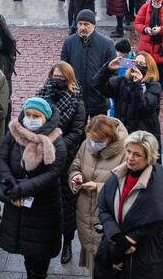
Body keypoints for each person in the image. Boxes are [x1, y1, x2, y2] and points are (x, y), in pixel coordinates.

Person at [0, 96, 69, 279]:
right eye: (28, 114)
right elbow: (1, 158)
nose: (30, 119)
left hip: (44, 207)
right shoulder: (14, 132)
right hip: (18, 204)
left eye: (36, 116)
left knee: (40, 254)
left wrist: (22, 189)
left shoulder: (56, 141)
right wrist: (10, 183)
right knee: (26, 250)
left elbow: (52, 174)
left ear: (46, 118)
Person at [92, 130, 163, 279]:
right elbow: (103, 207)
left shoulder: (158, 180)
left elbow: (151, 223)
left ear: (149, 157)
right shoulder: (118, 175)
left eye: (137, 154)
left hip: (141, 259)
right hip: (114, 247)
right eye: (128, 151)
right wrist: (117, 237)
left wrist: (119, 249)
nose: (130, 158)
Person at [37, 61, 87, 264]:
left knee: (67, 203)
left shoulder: (76, 102)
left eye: (61, 77)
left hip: (66, 157)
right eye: (54, 76)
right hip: (43, 157)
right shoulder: (41, 96)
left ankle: (67, 242)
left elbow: (76, 132)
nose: (57, 79)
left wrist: (57, 146)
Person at [68, 114, 128, 276]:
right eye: (91, 138)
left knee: (104, 263)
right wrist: (75, 177)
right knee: (92, 256)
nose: (93, 144)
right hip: (85, 212)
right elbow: (76, 165)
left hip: (106, 217)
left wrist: (98, 187)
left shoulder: (125, 153)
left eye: (98, 141)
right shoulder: (87, 144)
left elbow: (125, 188)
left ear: (110, 138)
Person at [60, 9, 116, 118]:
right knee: (78, 133)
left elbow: (113, 72)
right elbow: (64, 69)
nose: (82, 28)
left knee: (99, 133)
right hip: (76, 100)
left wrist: (104, 91)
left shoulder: (107, 44)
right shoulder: (69, 42)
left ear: (93, 25)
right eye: (80, 24)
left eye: (86, 24)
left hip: (99, 100)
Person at [97, 52, 163, 140]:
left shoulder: (154, 86)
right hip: (123, 133)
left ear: (149, 68)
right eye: (135, 63)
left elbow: (143, 108)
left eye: (141, 64)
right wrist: (108, 69)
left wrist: (137, 84)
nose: (137, 66)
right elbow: (98, 85)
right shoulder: (122, 82)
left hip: (143, 136)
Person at [134, 0, 163, 85]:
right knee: (145, 67)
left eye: (158, 1)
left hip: (160, 46)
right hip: (146, 45)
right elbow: (137, 23)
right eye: (154, 1)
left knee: (160, 69)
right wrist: (145, 29)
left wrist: (161, 29)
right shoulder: (145, 7)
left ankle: (159, 87)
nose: (156, 3)